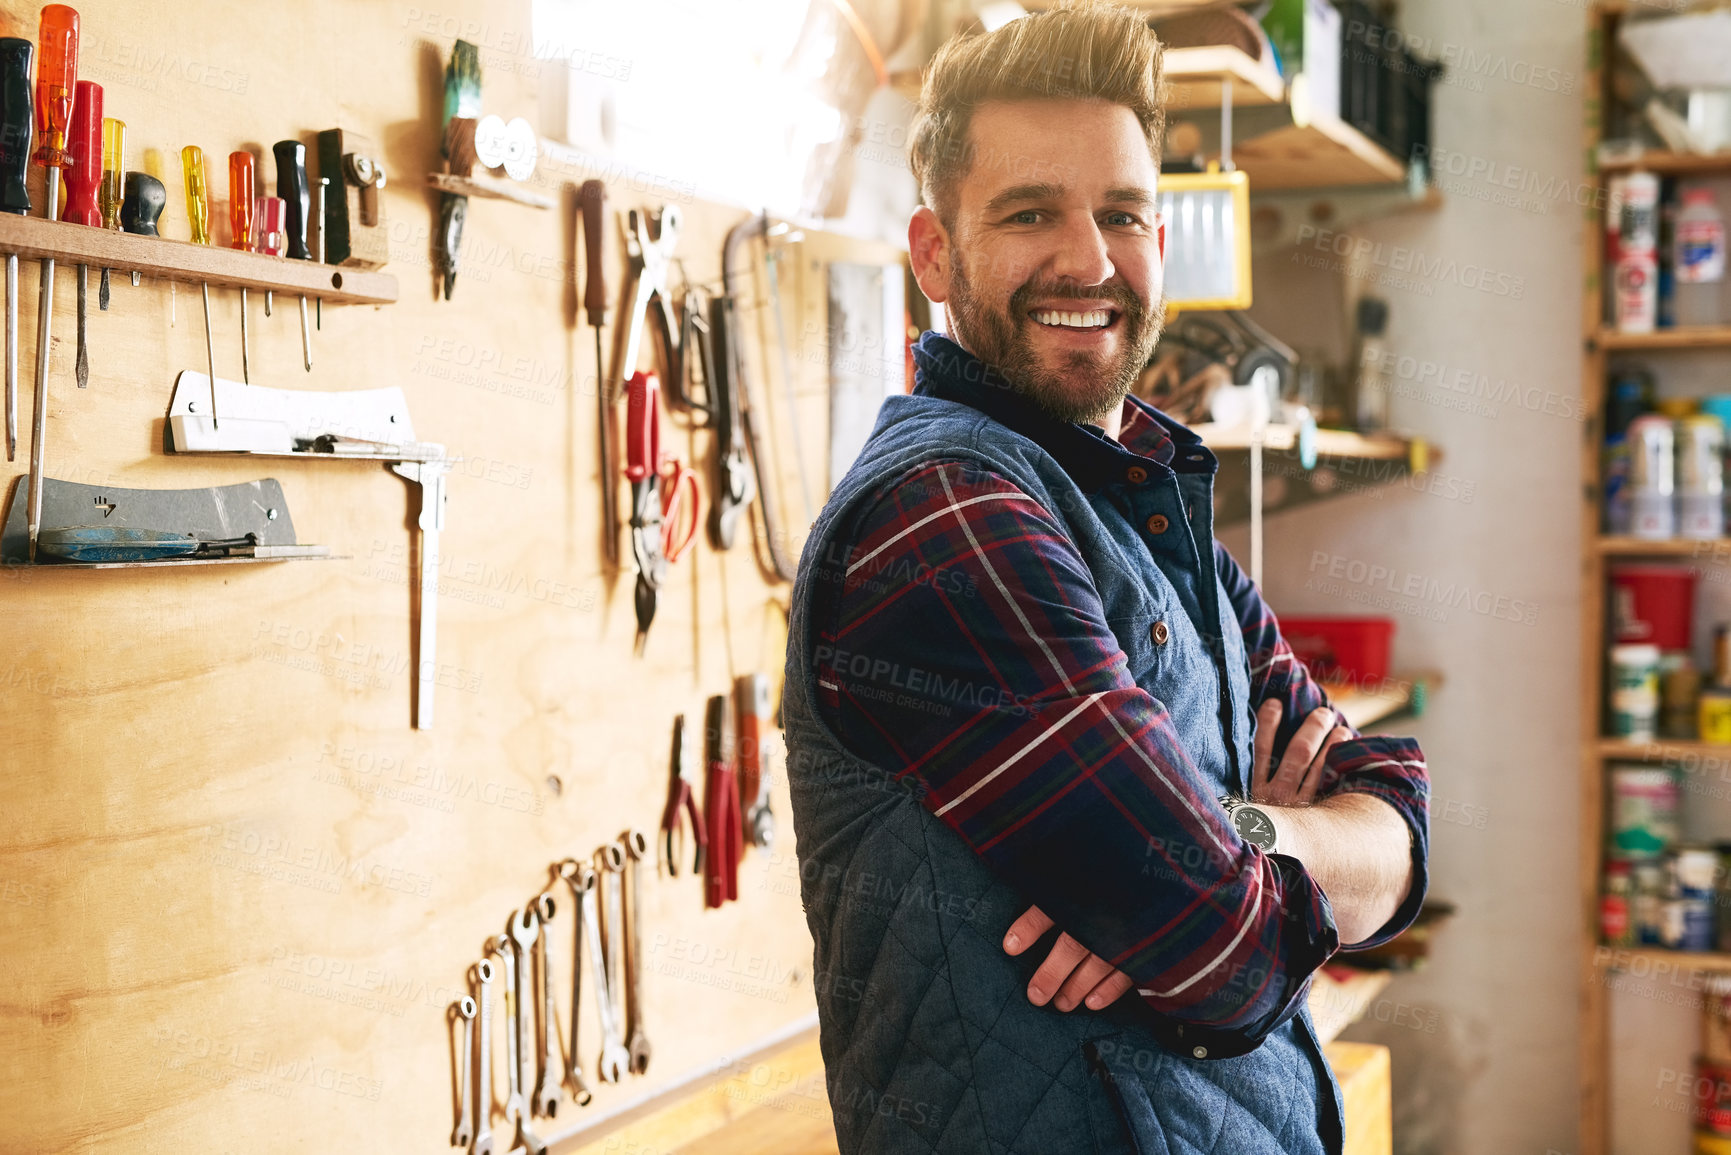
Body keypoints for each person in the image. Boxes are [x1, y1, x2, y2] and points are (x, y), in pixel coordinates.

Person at [781, 4, 1431, 1152]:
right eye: (1031, 213)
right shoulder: (944, 518)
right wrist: (1239, 868)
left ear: (1159, 241)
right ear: (935, 253)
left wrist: (1247, 835)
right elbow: (1225, 954)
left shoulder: (1144, 501)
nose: (1089, 260)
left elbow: (1402, 826)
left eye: (1121, 213)